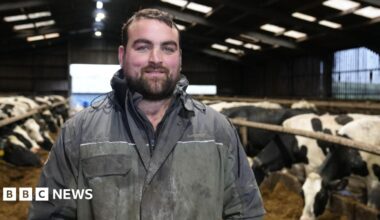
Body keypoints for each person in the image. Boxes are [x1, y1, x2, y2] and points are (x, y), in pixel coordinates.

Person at [28, 8, 265, 220]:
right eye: (143, 47)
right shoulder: (78, 132)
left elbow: (245, 212)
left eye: (167, 48)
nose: (156, 59)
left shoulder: (217, 131)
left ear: (179, 57)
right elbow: (50, 212)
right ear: (122, 56)